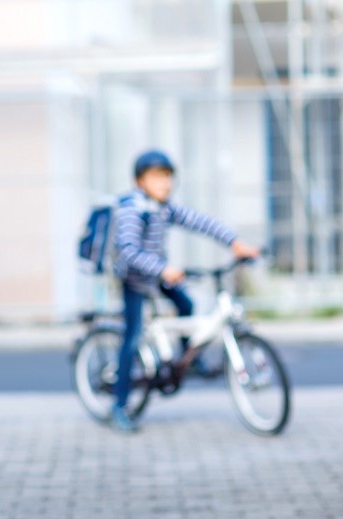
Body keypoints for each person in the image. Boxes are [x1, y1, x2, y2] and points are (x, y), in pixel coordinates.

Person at [110, 149, 259, 433]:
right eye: (157, 177)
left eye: (168, 177)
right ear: (140, 182)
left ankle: (191, 358)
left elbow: (201, 222)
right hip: (135, 279)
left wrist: (235, 243)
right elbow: (128, 250)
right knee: (131, 338)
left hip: (158, 274)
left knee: (186, 304)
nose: (165, 183)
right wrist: (162, 269)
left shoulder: (164, 208)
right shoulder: (132, 209)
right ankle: (119, 406)